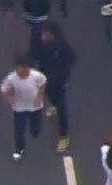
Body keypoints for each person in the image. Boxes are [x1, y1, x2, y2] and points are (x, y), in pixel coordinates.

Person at [0, 53, 45, 161]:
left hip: (35, 107)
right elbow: (4, 90)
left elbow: (42, 84)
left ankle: (35, 131)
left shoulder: (36, 76)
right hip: (19, 108)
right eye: (20, 68)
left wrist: (39, 96)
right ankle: (19, 149)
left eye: (24, 67)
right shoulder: (11, 78)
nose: (22, 70)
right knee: (19, 130)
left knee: (35, 128)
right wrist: (9, 99)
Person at [39, 21, 74, 152]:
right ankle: (53, 106)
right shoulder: (43, 44)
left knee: (62, 108)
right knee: (49, 95)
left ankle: (64, 136)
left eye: (46, 34)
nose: (43, 36)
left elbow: (71, 58)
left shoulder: (62, 46)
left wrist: (64, 76)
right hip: (47, 79)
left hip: (59, 82)